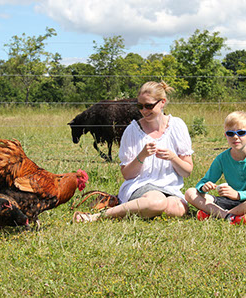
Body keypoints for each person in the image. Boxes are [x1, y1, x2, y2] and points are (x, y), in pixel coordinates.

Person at [74, 81, 194, 222]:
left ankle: (141, 209)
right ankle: (99, 216)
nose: (144, 111)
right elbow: (127, 174)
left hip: (169, 188)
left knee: (177, 209)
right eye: (140, 106)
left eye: (149, 106)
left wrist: (173, 157)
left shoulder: (177, 126)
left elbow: (187, 171)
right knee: (157, 202)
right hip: (140, 185)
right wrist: (141, 156)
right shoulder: (132, 131)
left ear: (162, 102)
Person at [184, 111, 246, 225]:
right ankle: (230, 217)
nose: (235, 137)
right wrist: (204, 187)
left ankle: (217, 215)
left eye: (241, 133)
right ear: (226, 135)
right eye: (230, 133)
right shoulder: (222, 158)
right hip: (228, 201)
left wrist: (238, 195)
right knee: (190, 192)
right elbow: (203, 183)